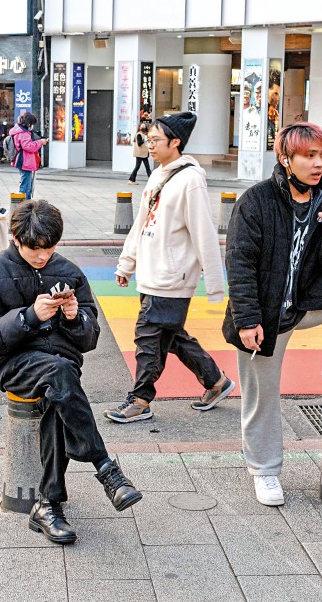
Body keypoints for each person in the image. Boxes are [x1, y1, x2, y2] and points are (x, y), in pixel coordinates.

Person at [222, 122, 322, 507]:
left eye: (321, 155)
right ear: (286, 159)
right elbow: (239, 262)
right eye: (309, 156)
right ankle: (264, 472)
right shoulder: (256, 201)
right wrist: (247, 319)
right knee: (261, 396)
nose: (318, 163)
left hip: (305, 303)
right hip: (263, 318)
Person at [0, 200, 141, 544]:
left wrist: (76, 316)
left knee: (58, 388)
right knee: (60, 377)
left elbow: (90, 338)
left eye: (49, 248)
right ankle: (106, 469)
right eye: (35, 249)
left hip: (60, 363)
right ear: (16, 239)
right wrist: (29, 316)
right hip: (11, 362)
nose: (42, 256)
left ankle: (49, 505)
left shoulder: (69, 271)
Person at [106, 112, 232, 422]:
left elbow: (204, 233)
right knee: (171, 335)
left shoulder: (190, 180)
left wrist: (216, 285)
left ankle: (140, 399)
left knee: (147, 335)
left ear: (175, 143)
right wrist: (127, 263)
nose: (148, 144)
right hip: (152, 275)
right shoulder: (158, 174)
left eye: (155, 140)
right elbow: (141, 223)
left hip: (172, 277)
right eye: (147, 139)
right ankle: (216, 381)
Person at [9, 112, 46, 200]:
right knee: (25, 186)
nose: (32, 126)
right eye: (32, 124)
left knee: (27, 184)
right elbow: (28, 146)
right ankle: (23, 206)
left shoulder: (18, 130)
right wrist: (40, 142)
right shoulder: (23, 133)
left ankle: (27, 204)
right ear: (29, 123)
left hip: (23, 160)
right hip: (25, 161)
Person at [127, 120, 152, 185]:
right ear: (139, 127)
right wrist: (145, 139)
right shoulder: (139, 134)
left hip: (143, 153)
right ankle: (131, 180)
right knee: (138, 167)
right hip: (140, 153)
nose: (143, 127)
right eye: (142, 126)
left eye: (144, 126)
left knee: (146, 167)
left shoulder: (143, 134)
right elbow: (139, 143)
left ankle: (131, 180)